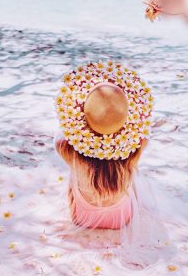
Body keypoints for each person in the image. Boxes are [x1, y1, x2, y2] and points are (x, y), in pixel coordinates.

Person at [54, 60, 153, 231]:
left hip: (81, 218)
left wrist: (81, 130)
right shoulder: (135, 147)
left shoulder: (66, 148)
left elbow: (62, 136)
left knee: (73, 174)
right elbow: (144, 137)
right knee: (131, 173)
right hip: (121, 220)